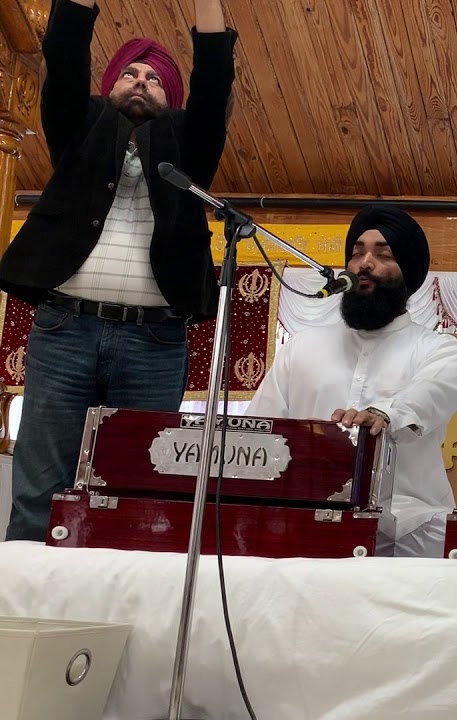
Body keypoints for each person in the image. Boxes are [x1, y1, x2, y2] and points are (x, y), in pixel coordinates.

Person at [0, 0, 238, 541]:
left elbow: (215, 81)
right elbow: (63, 54)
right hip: (64, 334)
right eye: (129, 73)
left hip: (153, 345)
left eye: (155, 79)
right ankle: (27, 617)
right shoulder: (78, 127)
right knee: (41, 491)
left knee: (137, 494)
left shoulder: (188, 146)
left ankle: (124, 619)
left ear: (170, 98)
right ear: (108, 86)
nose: (140, 81)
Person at [248, 205, 457, 557]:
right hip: (306, 527)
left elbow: (430, 392)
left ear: (407, 273)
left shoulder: (443, 351)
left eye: (382, 255)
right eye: (356, 253)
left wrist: (384, 415)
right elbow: (259, 431)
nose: (364, 263)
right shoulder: (302, 348)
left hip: (409, 533)